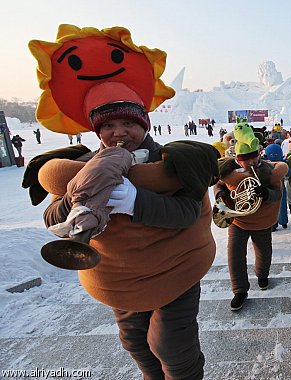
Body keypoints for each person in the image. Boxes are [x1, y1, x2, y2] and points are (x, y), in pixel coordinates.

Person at [26, 24, 220, 380]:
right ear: (97, 132)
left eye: (128, 123)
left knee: (171, 345)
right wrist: (77, 199)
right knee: (134, 342)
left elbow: (189, 212)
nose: (119, 132)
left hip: (174, 273)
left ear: (144, 124)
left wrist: (135, 201)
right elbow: (52, 215)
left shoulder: (171, 162)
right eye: (109, 125)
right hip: (121, 280)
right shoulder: (82, 167)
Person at [213, 118, 287, 311]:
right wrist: (220, 195)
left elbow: (278, 194)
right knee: (234, 255)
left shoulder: (269, 170)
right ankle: (239, 290)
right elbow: (219, 184)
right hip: (237, 220)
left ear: (259, 155)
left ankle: (262, 275)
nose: (250, 163)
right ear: (238, 159)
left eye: (253, 158)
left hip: (261, 222)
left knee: (263, 252)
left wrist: (265, 193)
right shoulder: (231, 171)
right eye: (245, 160)